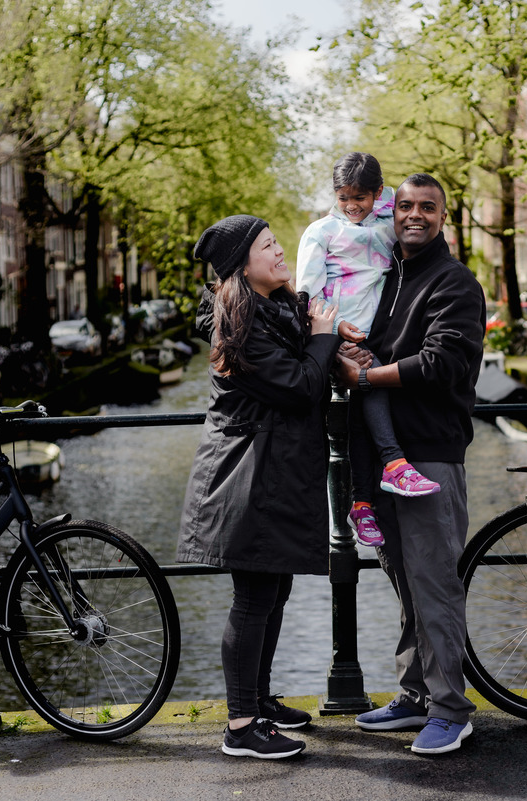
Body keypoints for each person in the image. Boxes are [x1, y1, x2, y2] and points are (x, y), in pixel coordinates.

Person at [177, 214, 340, 760]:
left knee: (274, 591)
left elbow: (310, 363)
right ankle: (240, 726)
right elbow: (301, 388)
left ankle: (259, 700)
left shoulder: (273, 311)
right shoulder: (241, 327)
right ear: (242, 266)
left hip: (272, 473)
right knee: (252, 599)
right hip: (246, 479)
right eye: (268, 245)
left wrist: (332, 338)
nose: (279, 250)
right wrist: (323, 337)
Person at [335, 174, 486, 755]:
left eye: (427, 207)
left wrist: (367, 374)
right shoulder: (386, 275)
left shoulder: (455, 283)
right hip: (380, 455)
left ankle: (452, 709)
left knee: (433, 584)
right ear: (388, 212)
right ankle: (416, 694)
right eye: (405, 206)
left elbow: (443, 362)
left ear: (443, 217)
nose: (414, 215)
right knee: (405, 583)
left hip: (429, 454)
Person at [296, 152, 441, 549]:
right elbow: (307, 293)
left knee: (361, 409)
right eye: (343, 197)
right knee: (370, 383)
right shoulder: (321, 232)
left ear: (377, 193)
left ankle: (361, 505)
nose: (351, 206)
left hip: (373, 338)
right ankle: (393, 465)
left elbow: (414, 218)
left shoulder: (387, 224)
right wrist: (334, 335)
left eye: (360, 197)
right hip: (337, 337)